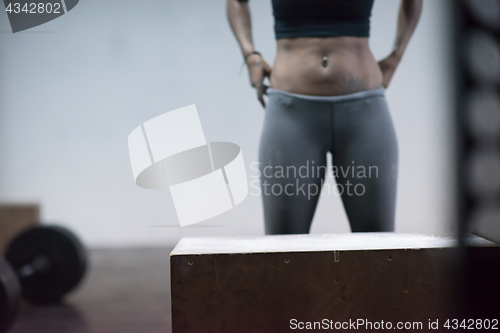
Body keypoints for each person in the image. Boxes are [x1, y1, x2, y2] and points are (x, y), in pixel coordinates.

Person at [227, 0, 422, 234]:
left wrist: (395, 58)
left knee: (377, 249)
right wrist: (250, 56)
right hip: (291, 116)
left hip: (364, 114)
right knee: (282, 250)